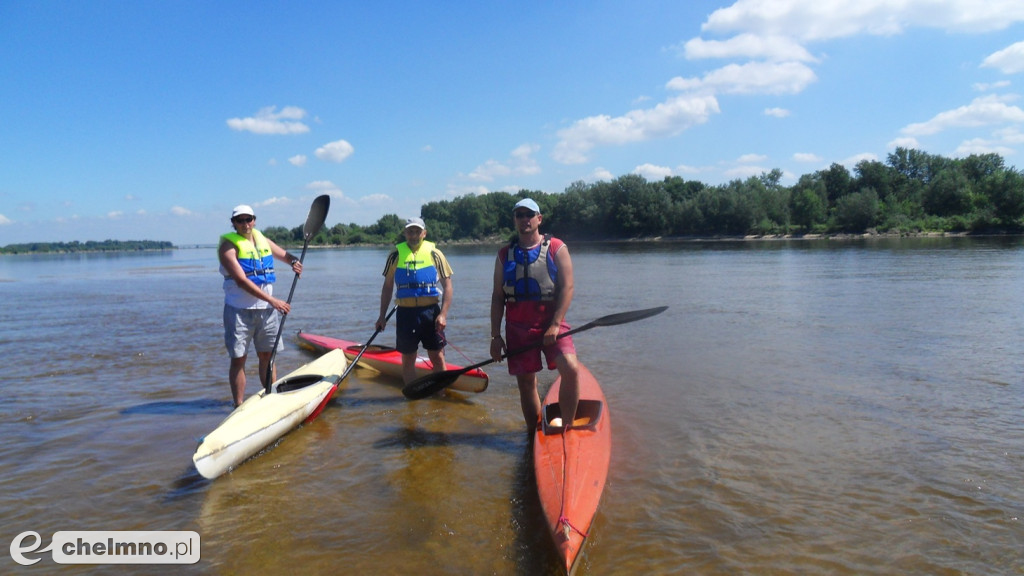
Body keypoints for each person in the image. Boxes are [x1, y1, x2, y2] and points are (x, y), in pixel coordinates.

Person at [490, 198, 581, 431]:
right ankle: (534, 434)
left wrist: (556, 324)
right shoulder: (504, 255)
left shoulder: (556, 247)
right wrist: (495, 337)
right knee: (526, 383)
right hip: (518, 326)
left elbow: (568, 287)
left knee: (570, 368)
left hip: (551, 321)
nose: (524, 219)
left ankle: (567, 427)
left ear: (539, 219)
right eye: (519, 215)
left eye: (529, 214)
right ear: (514, 220)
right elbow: (498, 297)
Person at [218, 204, 302, 406]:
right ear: (233, 223)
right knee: (239, 359)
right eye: (240, 220)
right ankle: (238, 406)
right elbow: (241, 281)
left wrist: (294, 262)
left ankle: (269, 399)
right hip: (239, 311)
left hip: (266, 312)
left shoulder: (262, 240)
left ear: (254, 220)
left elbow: (285, 255)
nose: (245, 224)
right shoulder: (227, 247)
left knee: (267, 355)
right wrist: (273, 300)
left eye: (249, 219)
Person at [376, 217, 454, 385]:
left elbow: (448, 286)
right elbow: (387, 287)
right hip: (406, 314)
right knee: (408, 358)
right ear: (405, 233)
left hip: (430, 313)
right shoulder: (395, 255)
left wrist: (443, 315)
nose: (413, 235)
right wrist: (381, 316)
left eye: (417, 232)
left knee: (437, 356)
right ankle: (412, 398)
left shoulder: (435, 254)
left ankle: (440, 395)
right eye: (410, 231)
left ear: (424, 234)